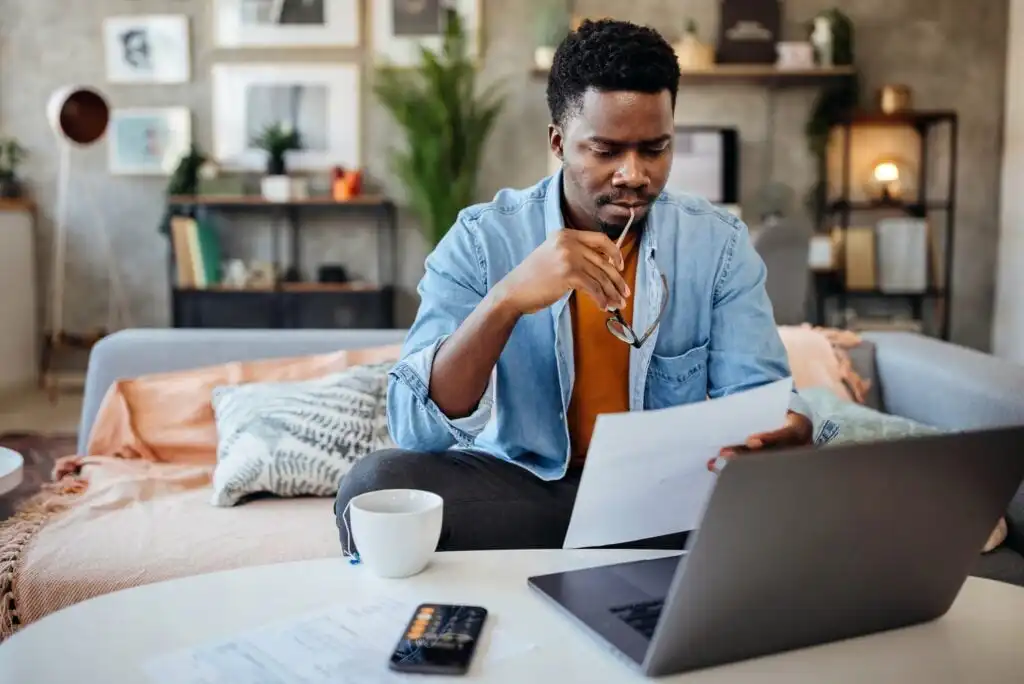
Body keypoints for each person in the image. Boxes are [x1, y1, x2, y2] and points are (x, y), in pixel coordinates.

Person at [335, 18, 836, 553]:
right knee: (374, 488)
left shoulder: (718, 244)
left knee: (828, 501)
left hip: (664, 498)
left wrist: (780, 430)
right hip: (531, 493)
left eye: (654, 148)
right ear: (558, 141)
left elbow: (756, 399)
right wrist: (507, 299)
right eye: (606, 150)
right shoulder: (483, 239)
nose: (633, 174)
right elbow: (417, 429)